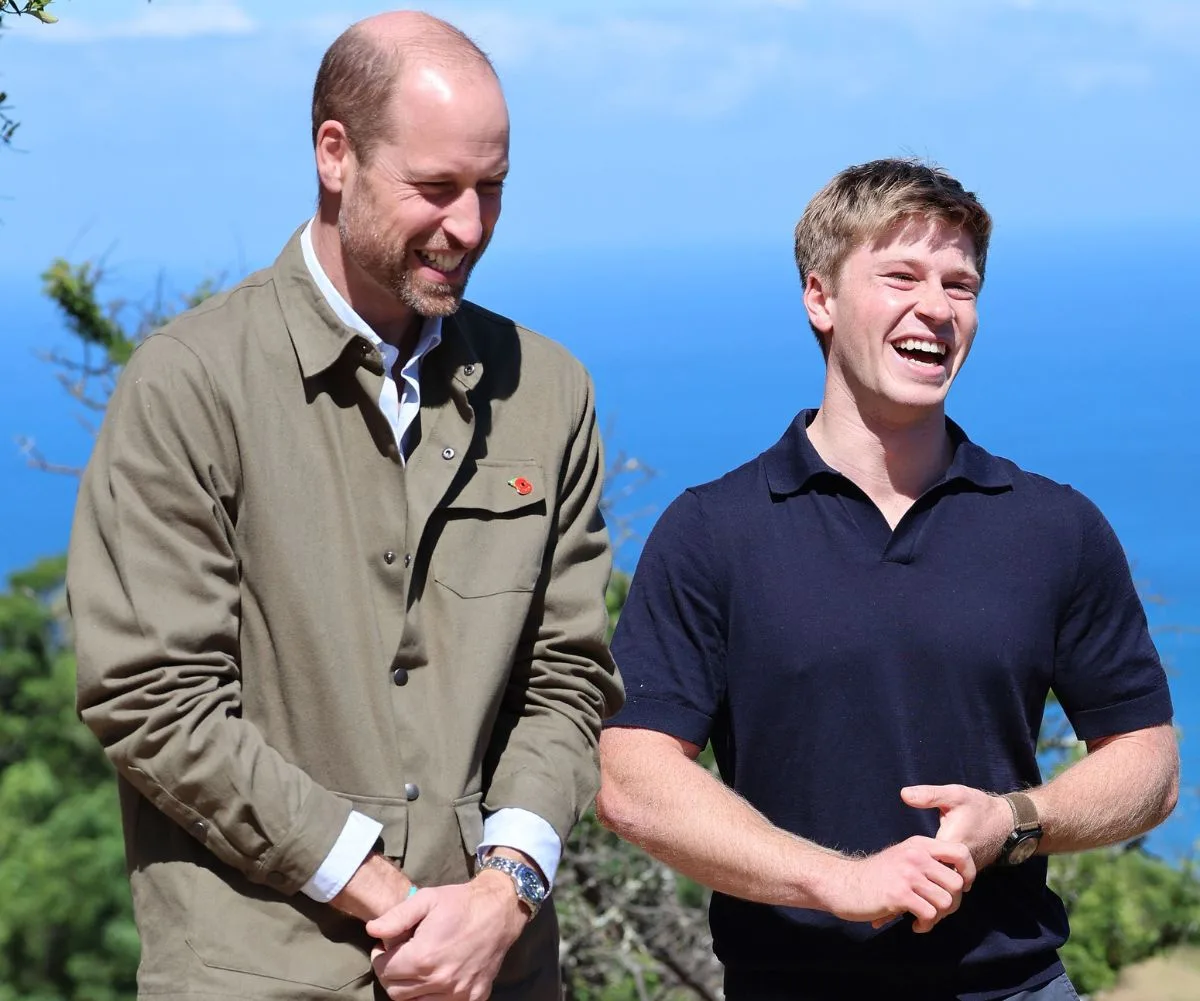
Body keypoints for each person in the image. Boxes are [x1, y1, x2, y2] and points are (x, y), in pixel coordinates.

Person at [67, 11, 623, 1001]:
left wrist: (500, 897)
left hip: (497, 972)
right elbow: (151, 692)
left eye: (491, 188)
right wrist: (385, 890)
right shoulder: (190, 383)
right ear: (336, 154)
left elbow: (569, 678)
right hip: (254, 974)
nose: (469, 227)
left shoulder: (549, 390)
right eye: (436, 188)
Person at [596, 158, 1178, 1000]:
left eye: (960, 284)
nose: (937, 309)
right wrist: (835, 880)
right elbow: (631, 777)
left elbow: (1150, 767)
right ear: (819, 298)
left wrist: (1013, 823)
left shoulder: (1053, 526)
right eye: (900, 275)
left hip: (1014, 985)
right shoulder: (714, 531)